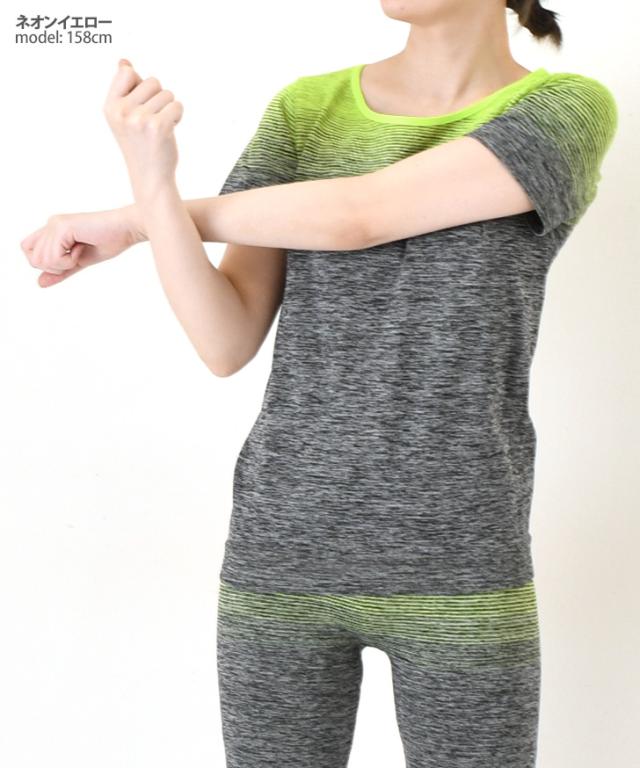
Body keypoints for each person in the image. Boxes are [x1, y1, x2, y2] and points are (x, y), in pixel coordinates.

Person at [21, 1, 619, 765]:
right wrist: (151, 183)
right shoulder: (306, 112)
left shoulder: (564, 109)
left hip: (460, 562)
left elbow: (359, 215)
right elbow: (225, 339)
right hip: (279, 553)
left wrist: (137, 219)